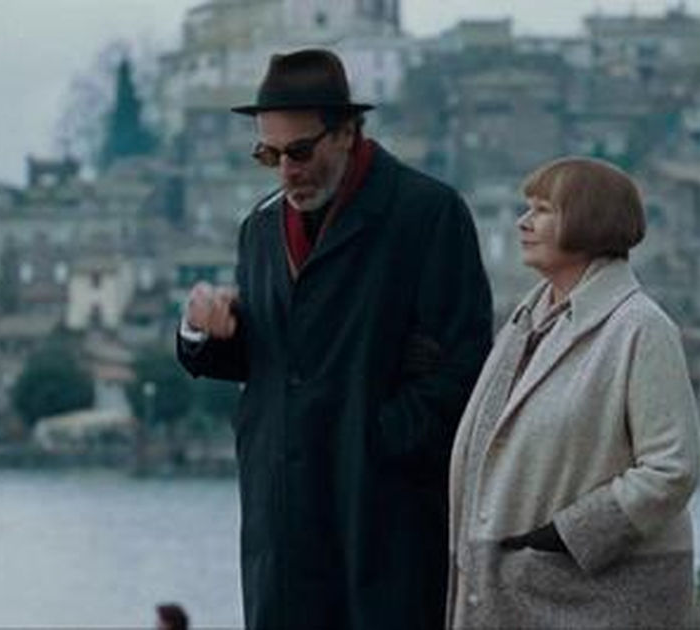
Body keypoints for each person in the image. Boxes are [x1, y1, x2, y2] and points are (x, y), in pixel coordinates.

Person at [176, 48, 493, 630]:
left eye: (299, 151)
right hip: (281, 522)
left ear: (347, 132)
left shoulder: (428, 213)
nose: (286, 171)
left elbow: (463, 368)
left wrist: (374, 444)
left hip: (384, 521)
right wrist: (203, 328)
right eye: (268, 155)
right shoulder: (260, 228)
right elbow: (268, 356)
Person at [447, 157, 700, 628]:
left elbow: (673, 466)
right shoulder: (525, 323)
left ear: (590, 220)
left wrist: (569, 535)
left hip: (596, 598)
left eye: (543, 210)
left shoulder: (640, 327)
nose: (523, 222)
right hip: (514, 591)